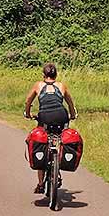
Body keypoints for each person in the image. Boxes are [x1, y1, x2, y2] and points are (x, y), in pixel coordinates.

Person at [23, 62, 77, 194]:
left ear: (43, 75)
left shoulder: (38, 85)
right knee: (60, 135)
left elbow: (28, 101)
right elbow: (70, 102)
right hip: (61, 116)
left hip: (44, 117)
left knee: (41, 142)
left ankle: (41, 184)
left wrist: (28, 113)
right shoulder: (61, 86)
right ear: (56, 75)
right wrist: (73, 114)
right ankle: (58, 157)